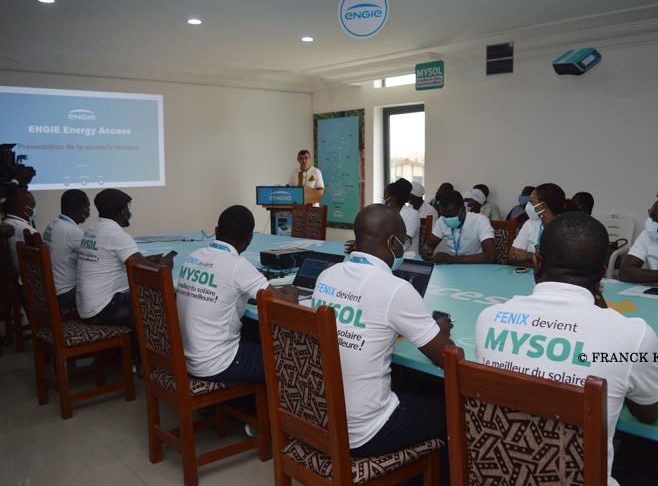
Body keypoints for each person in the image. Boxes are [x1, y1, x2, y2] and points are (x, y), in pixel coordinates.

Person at [475, 212, 658, 486]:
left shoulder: (489, 319)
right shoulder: (633, 336)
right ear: (602, 273)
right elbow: (650, 413)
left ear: (537, 261)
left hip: (497, 475)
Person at [310, 203, 453, 466]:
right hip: (367, 431)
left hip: (321, 416)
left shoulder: (327, 276)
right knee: (453, 411)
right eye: (404, 242)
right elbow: (449, 358)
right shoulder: (395, 289)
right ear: (392, 241)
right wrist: (439, 331)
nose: (404, 249)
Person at [175, 205, 298, 382]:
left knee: (252, 330)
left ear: (216, 230)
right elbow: (287, 307)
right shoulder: (238, 265)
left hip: (186, 358)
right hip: (217, 363)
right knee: (290, 362)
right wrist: (291, 293)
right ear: (250, 239)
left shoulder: (193, 257)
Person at [76, 189, 174, 339]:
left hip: (87, 307)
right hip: (103, 309)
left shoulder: (92, 230)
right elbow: (154, 273)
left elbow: (120, 259)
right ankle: (159, 350)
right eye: (127, 208)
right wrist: (167, 263)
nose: (129, 212)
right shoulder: (116, 235)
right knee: (164, 300)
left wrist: (145, 259)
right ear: (122, 211)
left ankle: (136, 348)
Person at [42, 189, 91, 308]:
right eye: (88, 208)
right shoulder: (71, 231)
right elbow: (98, 253)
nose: (89, 211)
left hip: (50, 289)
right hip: (65, 294)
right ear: (81, 210)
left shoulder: (52, 225)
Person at [421, 190, 496, 264]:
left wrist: (453, 259)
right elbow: (427, 245)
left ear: (462, 209)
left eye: (451, 215)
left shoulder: (480, 221)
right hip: (454, 267)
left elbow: (491, 256)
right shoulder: (441, 221)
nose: (447, 219)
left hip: (477, 267)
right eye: (444, 215)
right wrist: (426, 251)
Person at [508, 183, 574, 267]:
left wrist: (529, 256)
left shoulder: (565, 227)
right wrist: (539, 264)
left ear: (543, 205)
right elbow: (512, 255)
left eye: (532, 201)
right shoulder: (530, 224)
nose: (529, 205)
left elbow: (560, 264)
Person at [1, 189, 38, 275]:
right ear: (23, 208)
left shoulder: (5, 222)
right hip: (30, 275)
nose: (34, 210)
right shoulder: (28, 231)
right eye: (32, 206)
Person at [383, 178, 420, 255]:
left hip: (407, 256)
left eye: (384, 197)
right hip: (388, 254)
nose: (383, 199)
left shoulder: (412, 214)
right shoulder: (385, 213)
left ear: (392, 199)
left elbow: (402, 240)